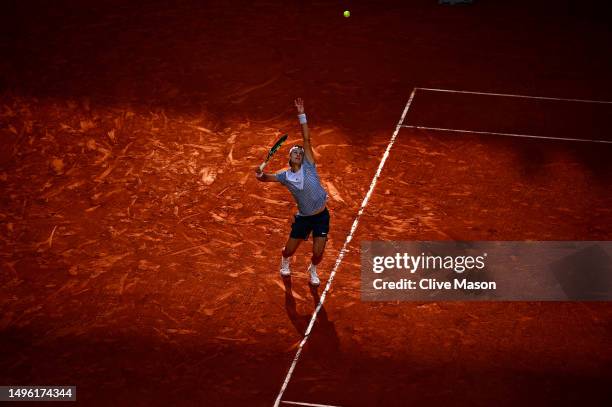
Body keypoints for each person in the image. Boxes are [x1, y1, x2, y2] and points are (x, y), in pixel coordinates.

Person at [255, 98, 330, 286]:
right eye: (295, 152)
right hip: (304, 218)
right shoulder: (285, 177)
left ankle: (312, 269)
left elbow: (306, 139)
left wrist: (301, 114)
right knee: (289, 250)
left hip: (321, 216)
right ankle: (285, 261)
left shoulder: (309, 166)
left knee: (318, 252)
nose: (298, 153)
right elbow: (266, 178)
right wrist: (259, 174)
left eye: (300, 152)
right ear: (290, 158)